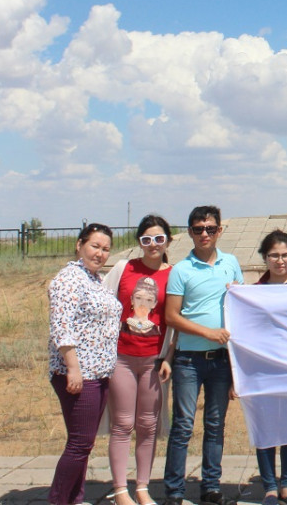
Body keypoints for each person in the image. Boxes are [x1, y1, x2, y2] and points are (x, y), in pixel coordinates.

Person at [162, 205, 244, 505]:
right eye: (198, 229)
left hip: (221, 361)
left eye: (210, 228)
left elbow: (242, 308)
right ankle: (174, 490)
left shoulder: (231, 263)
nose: (205, 234)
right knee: (183, 425)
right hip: (189, 360)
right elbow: (172, 316)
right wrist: (208, 333)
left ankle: (211, 486)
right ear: (190, 232)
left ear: (219, 230)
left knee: (215, 424)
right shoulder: (181, 270)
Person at [47, 223, 121, 505]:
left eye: (105, 249)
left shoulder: (95, 279)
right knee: (79, 444)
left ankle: (74, 498)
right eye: (95, 246)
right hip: (80, 373)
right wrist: (74, 368)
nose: (100, 253)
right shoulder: (68, 280)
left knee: (84, 443)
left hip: (99, 372)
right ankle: (58, 500)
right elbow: (61, 328)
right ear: (80, 245)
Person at [104, 215, 175, 505]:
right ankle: (121, 489)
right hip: (121, 356)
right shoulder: (125, 268)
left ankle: (142, 487)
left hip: (154, 360)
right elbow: (103, 302)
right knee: (122, 423)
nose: (153, 245)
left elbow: (174, 321)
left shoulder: (174, 274)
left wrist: (168, 356)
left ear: (168, 240)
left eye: (159, 239)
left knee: (148, 424)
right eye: (146, 239)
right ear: (139, 243)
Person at [252, 230, 287, 505]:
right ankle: (269, 488)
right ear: (265, 258)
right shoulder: (252, 293)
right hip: (263, 372)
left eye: (285, 255)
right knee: (265, 428)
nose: (280, 260)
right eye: (274, 255)